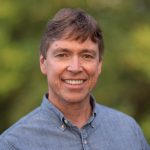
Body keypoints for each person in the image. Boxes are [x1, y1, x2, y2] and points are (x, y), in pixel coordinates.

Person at [0, 8, 149, 150]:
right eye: (62, 55)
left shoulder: (129, 131)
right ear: (43, 63)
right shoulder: (13, 144)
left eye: (86, 56)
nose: (75, 67)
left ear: (99, 65)